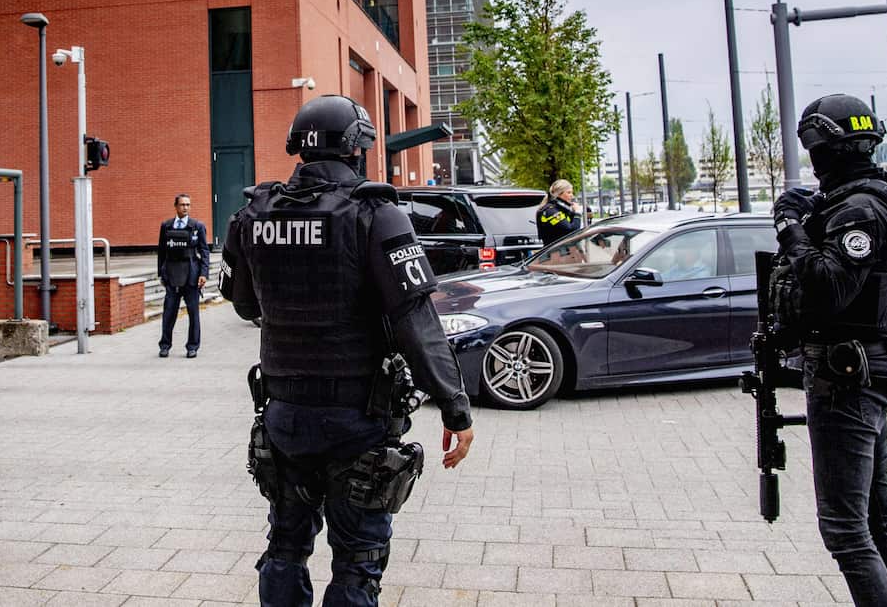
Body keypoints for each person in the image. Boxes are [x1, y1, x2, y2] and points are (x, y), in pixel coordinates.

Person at [220, 94, 475, 607]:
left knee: (286, 545)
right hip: (357, 416)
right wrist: (455, 405)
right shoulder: (376, 213)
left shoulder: (253, 213)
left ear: (299, 147)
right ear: (358, 148)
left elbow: (242, 303)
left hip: (284, 414)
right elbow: (415, 320)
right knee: (357, 561)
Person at [770, 94, 887, 606]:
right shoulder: (884, 196)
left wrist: (789, 227)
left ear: (822, 149)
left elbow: (829, 286)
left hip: (847, 375)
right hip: (871, 364)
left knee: (843, 528)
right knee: (876, 510)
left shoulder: (860, 206)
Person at [157, 192, 210, 358]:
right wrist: (161, 274)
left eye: (188, 205)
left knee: (193, 313)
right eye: (182, 204)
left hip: (191, 276)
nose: (185, 207)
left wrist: (204, 273)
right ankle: (165, 345)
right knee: (169, 313)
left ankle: (192, 346)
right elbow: (161, 252)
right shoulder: (166, 226)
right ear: (176, 206)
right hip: (172, 275)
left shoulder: (197, 226)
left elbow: (204, 251)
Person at [537, 179, 582, 245]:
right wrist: (577, 213)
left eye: (572, 192)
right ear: (559, 194)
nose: (572, 195)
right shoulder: (551, 211)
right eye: (568, 192)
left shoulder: (562, 209)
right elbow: (572, 232)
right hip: (554, 252)